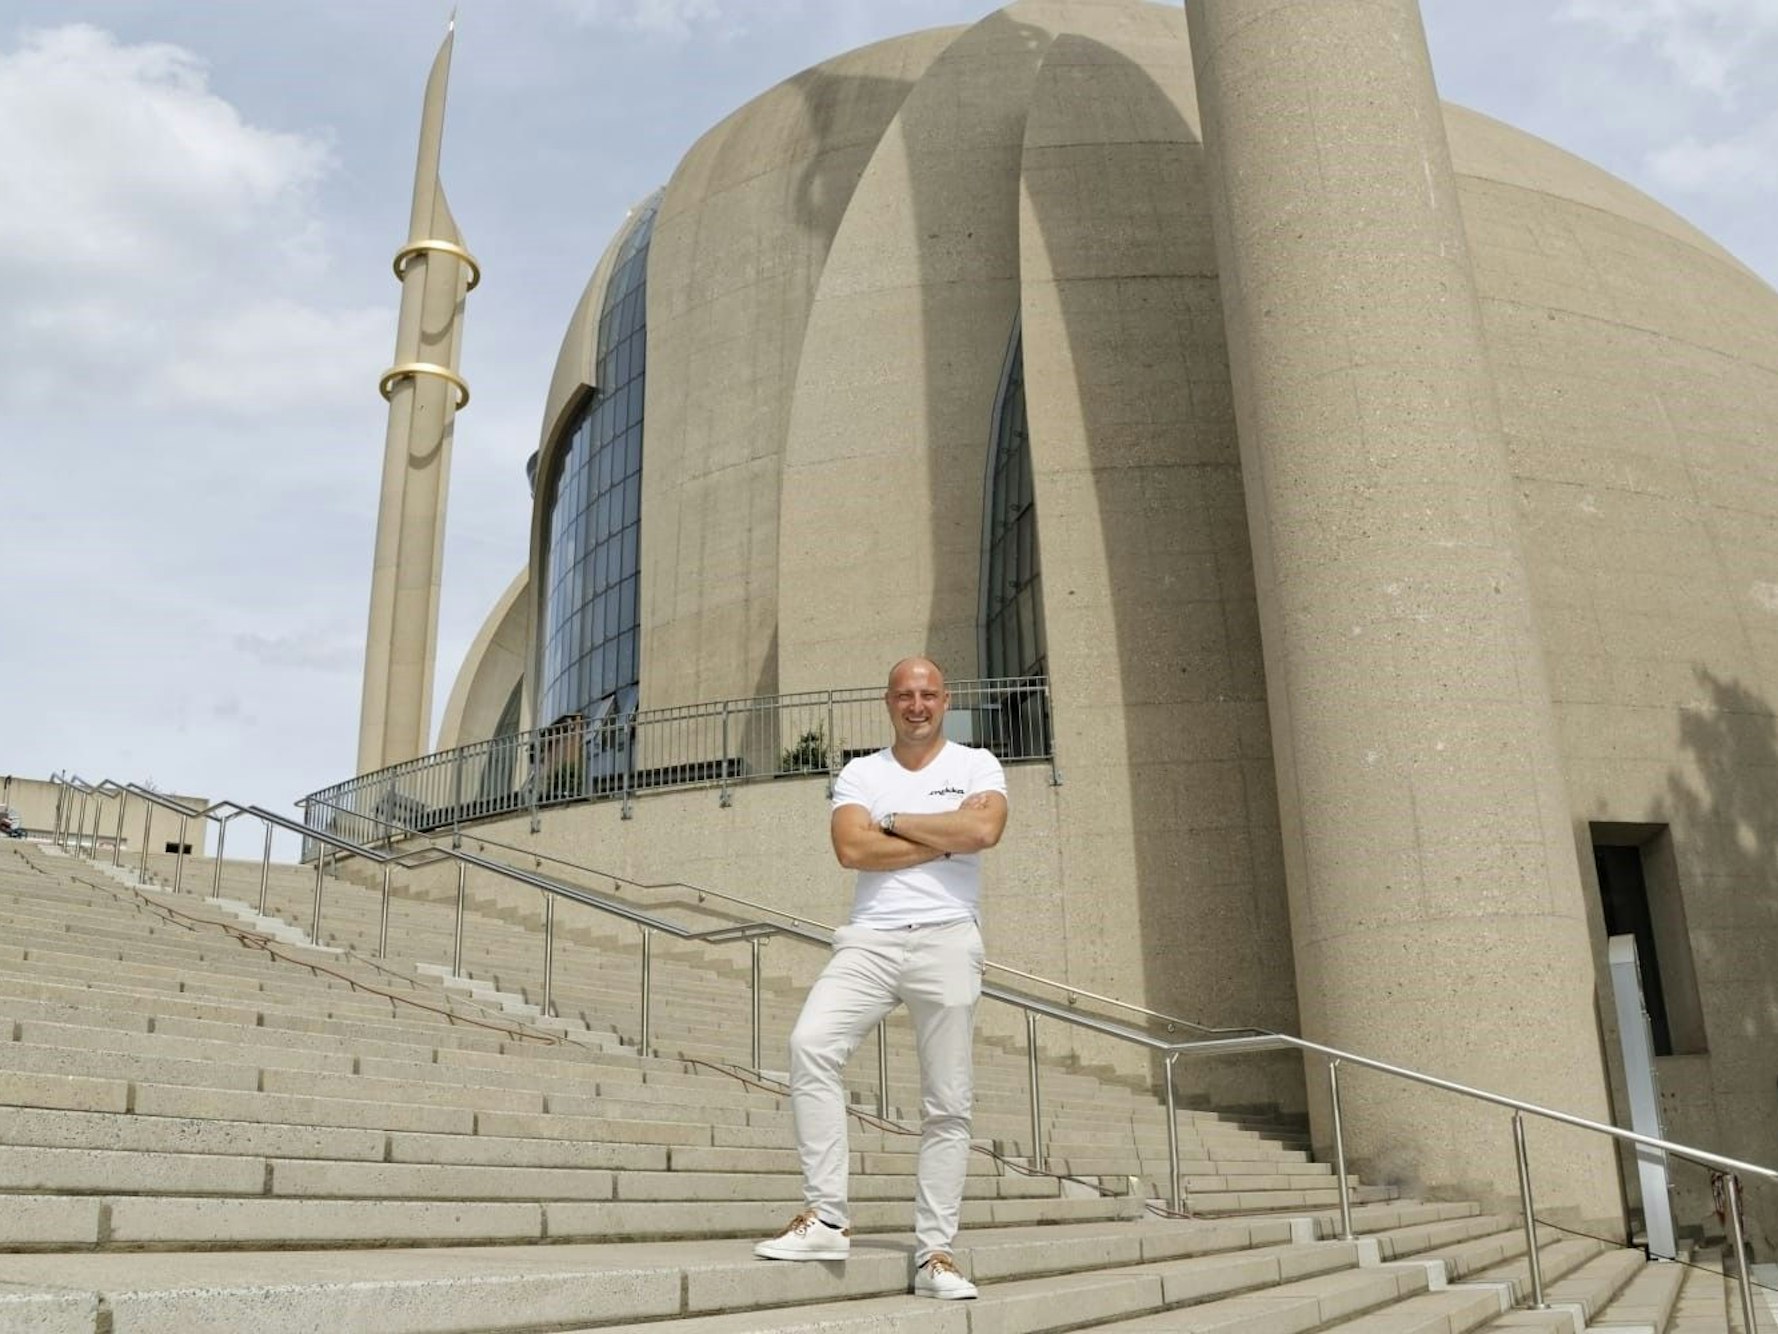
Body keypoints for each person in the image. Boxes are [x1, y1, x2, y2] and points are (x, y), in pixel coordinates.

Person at [754, 656, 1009, 1300]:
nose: (916, 705)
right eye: (905, 695)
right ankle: (826, 1219)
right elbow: (851, 849)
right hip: (870, 939)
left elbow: (985, 829)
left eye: (927, 694)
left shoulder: (977, 764)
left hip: (948, 937)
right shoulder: (862, 772)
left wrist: (892, 821)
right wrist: (945, 838)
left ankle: (935, 1255)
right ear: (888, 702)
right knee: (810, 1044)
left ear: (944, 700)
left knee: (947, 1100)